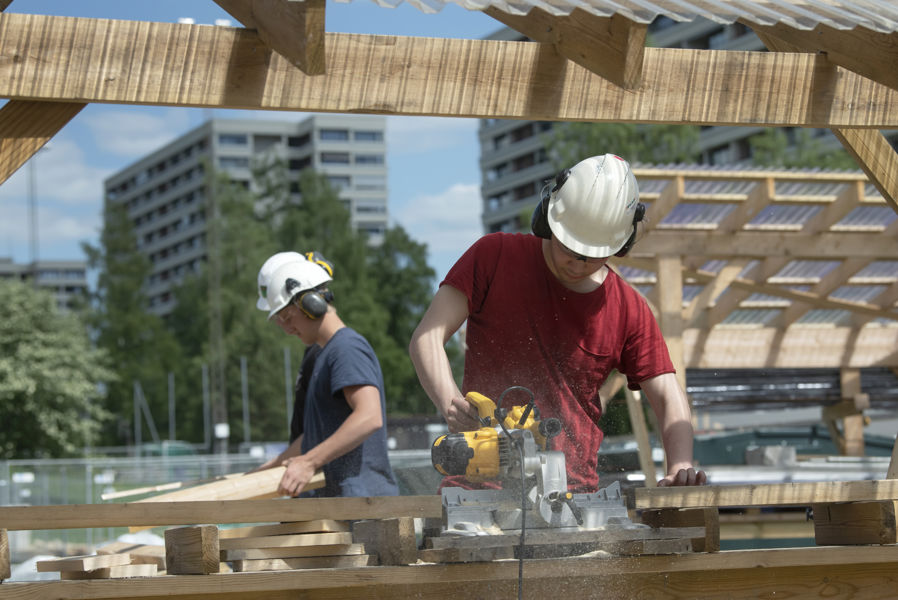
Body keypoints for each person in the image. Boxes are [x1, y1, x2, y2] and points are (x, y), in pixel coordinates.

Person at [409, 154, 706, 491]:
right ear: (547, 220)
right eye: (571, 247)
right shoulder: (493, 257)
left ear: (621, 244)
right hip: (476, 489)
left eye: (592, 254)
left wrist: (680, 464)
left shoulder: (628, 308)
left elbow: (667, 393)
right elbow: (427, 338)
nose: (578, 263)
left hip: (573, 496)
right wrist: (450, 401)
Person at [253, 254, 398, 498]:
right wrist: (272, 468)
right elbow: (316, 436)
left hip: (363, 509)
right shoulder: (326, 354)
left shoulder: (346, 348)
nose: (288, 329)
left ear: (311, 304)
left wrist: (308, 462)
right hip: (345, 506)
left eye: (288, 317)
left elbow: (370, 416)